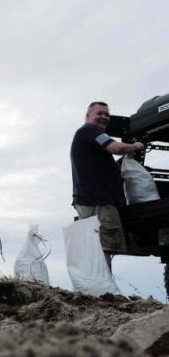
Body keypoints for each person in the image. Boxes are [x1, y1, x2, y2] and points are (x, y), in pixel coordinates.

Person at [70, 101, 144, 271]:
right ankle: (104, 290)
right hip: (98, 201)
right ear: (88, 116)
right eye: (99, 113)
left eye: (107, 114)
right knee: (105, 245)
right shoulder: (91, 131)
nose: (104, 117)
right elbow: (116, 147)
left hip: (90, 199)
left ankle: (98, 287)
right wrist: (135, 146)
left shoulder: (86, 136)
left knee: (98, 245)